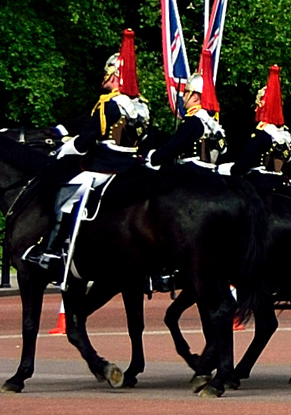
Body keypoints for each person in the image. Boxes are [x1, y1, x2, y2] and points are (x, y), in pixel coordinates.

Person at [30, 35, 151, 280]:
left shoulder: (107, 104)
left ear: (115, 75)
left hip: (106, 166)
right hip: (132, 164)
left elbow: (88, 140)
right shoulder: (141, 105)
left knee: (65, 196)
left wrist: (65, 149)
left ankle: (53, 249)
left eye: (108, 73)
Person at [228, 65, 291, 189]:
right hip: (280, 185)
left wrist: (232, 170)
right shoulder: (285, 135)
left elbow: (241, 166)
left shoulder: (261, 134)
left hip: (259, 184)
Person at [149, 72, 225, 169]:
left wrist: (154, 157)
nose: (183, 97)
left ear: (195, 97)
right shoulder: (211, 121)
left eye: (186, 93)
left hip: (190, 172)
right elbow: (223, 148)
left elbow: (172, 148)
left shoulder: (192, 122)